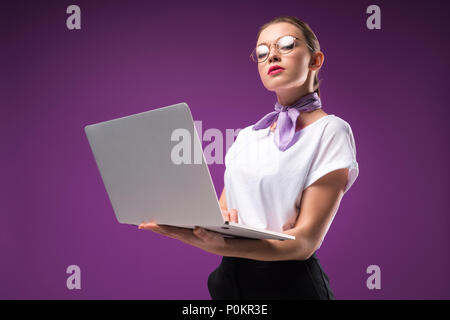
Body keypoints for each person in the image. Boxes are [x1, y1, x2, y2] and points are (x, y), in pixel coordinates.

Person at [138, 15, 359, 300]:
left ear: (315, 61)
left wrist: (219, 244)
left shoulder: (331, 130)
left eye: (287, 45)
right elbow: (218, 220)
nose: (273, 56)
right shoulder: (247, 137)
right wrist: (183, 225)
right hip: (228, 284)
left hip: (289, 289)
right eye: (263, 52)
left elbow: (304, 243)